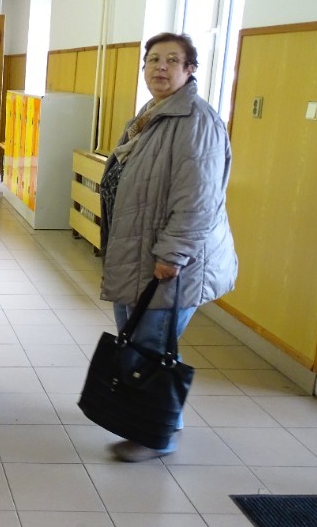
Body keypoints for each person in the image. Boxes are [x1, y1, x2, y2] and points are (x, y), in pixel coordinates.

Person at [98, 32, 237, 462]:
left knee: (151, 347)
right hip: (138, 254)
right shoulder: (151, 115)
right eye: (153, 59)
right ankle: (163, 421)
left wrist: (172, 255)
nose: (160, 67)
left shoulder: (196, 121)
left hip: (171, 261)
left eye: (172, 60)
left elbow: (198, 200)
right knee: (141, 343)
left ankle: (154, 436)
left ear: (190, 69)